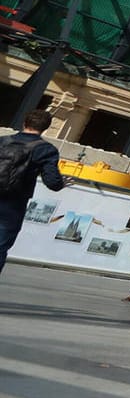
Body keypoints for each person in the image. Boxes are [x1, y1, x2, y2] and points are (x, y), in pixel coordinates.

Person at [0, 108, 66, 274]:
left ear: (24, 122)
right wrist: (62, 182)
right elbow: (52, 183)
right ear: (46, 128)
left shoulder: (2, 141)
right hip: (13, 205)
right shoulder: (46, 150)